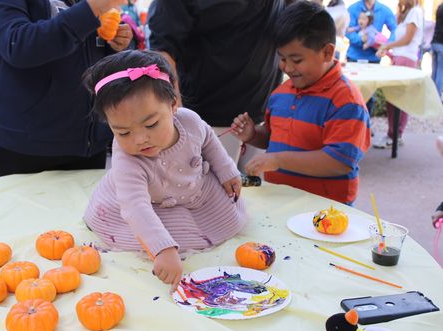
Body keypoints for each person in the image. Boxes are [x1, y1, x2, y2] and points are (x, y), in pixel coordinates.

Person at [83, 50, 247, 292]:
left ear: (172, 105)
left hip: (196, 191)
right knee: (174, 236)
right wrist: (162, 248)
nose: (139, 139)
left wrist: (227, 171)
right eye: (123, 132)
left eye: (150, 124)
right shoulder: (127, 157)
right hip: (153, 205)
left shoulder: (189, 121)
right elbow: (135, 207)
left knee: (226, 217)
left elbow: (208, 140)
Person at [231, 1, 371, 205]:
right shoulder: (280, 94)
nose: (287, 67)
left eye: (296, 60)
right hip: (280, 201)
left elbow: (339, 162)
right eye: (282, 58)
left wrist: (278, 160)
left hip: (326, 209)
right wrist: (253, 134)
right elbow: (273, 138)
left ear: (327, 53)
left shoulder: (346, 101)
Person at [0, 0, 132, 176]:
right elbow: (18, 45)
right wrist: (90, 9)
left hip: (88, 139)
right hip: (28, 143)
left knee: (88, 203)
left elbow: (91, 54)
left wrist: (114, 44)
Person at [147, 0, 284, 166]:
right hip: (209, 121)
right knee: (210, 188)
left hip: (267, 116)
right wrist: (178, 117)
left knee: (263, 190)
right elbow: (163, 52)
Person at [374, 0, 423, 149]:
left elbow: (407, 39)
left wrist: (387, 45)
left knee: (398, 100)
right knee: (392, 99)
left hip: (406, 60)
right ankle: (393, 134)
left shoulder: (416, 12)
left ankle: (395, 135)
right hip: (399, 58)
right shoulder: (407, 13)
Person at [432, 3, 443, 101]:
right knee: (440, 72)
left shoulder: (439, 8)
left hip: (435, 42)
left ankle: (431, 96)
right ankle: (436, 98)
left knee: (435, 72)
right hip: (441, 44)